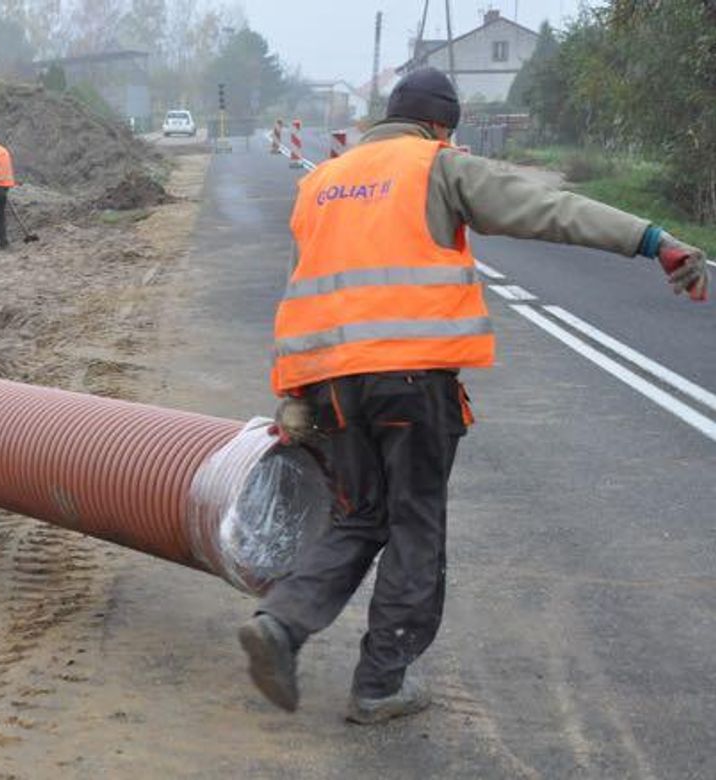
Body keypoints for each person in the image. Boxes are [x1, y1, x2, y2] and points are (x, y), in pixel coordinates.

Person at [238, 67, 709, 725]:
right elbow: (550, 209)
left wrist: (294, 397)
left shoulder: (319, 182)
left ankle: (282, 624)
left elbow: (297, 291)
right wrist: (651, 241)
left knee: (359, 517)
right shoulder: (436, 164)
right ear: (439, 126)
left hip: (330, 386)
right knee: (414, 525)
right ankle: (380, 683)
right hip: (411, 382)